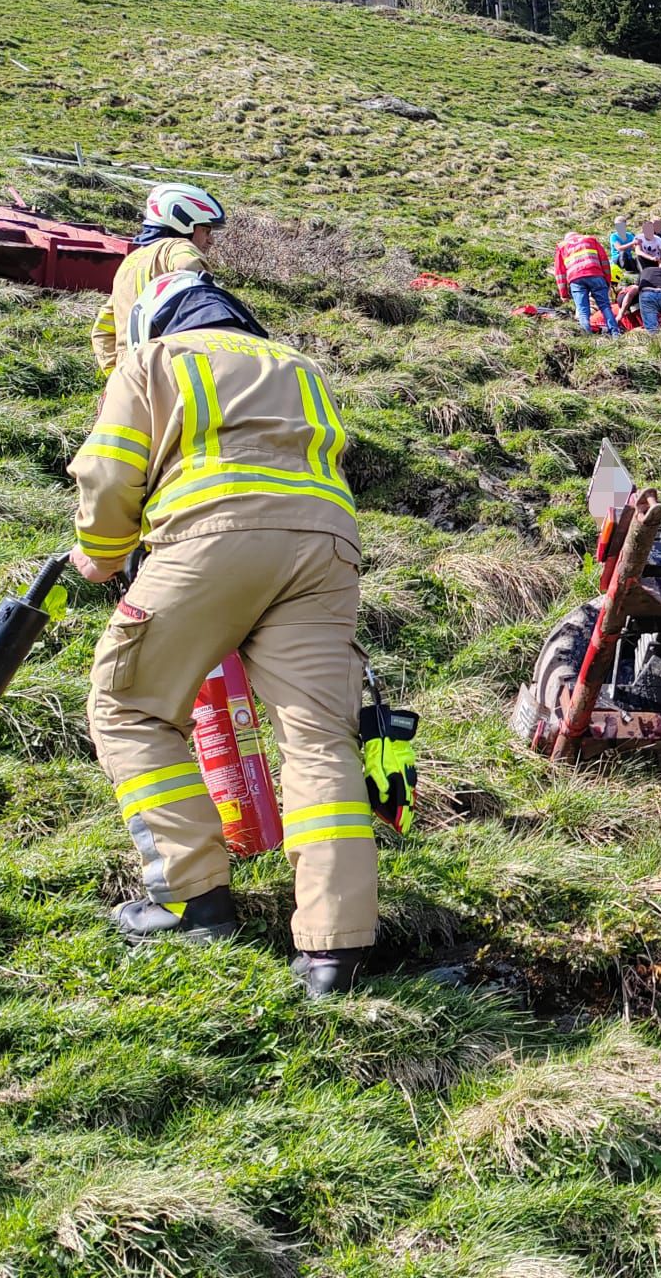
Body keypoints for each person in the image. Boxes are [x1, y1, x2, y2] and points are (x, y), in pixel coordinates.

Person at [68, 269, 385, 996]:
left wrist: (104, 550)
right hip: (326, 548)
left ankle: (193, 897)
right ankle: (334, 950)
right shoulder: (299, 364)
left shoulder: (155, 358)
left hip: (212, 540)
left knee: (128, 705)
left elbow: (110, 470)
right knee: (316, 737)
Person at [92, 183, 226, 374]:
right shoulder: (178, 247)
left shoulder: (129, 262)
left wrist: (117, 374)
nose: (211, 240)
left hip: (131, 369)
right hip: (170, 364)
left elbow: (102, 331)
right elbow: (195, 283)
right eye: (206, 230)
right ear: (184, 222)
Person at [554, 232, 621, 336]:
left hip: (576, 279)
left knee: (583, 311)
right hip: (596, 275)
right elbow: (604, 261)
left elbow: (559, 273)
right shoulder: (591, 240)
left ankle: (588, 337)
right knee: (605, 306)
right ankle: (615, 333)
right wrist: (607, 281)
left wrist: (564, 294)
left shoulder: (562, 246)